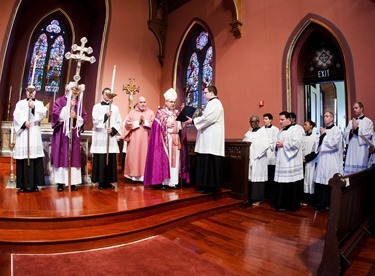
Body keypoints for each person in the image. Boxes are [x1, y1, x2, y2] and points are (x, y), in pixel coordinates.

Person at [144, 88, 189, 188]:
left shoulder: (178, 113)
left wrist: (183, 123)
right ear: (166, 102)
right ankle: (164, 182)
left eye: (174, 102)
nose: (173, 103)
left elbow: (182, 127)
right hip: (165, 141)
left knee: (175, 161)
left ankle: (173, 182)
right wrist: (166, 125)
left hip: (176, 139)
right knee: (166, 161)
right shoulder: (160, 113)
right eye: (171, 101)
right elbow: (155, 128)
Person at [185, 85, 225, 194]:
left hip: (211, 140)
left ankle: (208, 186)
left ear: (211, 93)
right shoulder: (211, 104)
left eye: (205, 92)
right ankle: (205, 185)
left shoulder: (215, 103)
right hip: (207, 139)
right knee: (206, 161)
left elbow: (208, 118)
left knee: (209, 162)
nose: (204, 94)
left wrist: (193, 121)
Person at [51, 82, 87, 192]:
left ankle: (73, 182)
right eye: (72, 91)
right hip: (62, 134)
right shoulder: (59, 101)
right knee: (61, 156)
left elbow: (84, 116)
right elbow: (57, 116)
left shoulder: (78, 103)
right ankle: (61, 183)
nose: (74, 94)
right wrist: (68, 107)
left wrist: (76, 116)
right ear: (67, 90)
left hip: (73, 134)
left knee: (73, 156)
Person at [13, 85, 47, 192]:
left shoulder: (40, 103)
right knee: (24, 158)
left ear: (35, 92)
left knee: (35, 158)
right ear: (26, 92)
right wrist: (24, 123)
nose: (30, 93)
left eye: (32, 91)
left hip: (34, 134)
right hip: (24, 134)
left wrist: (34, 108)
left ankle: (34, 184)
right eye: (28, 90)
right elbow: (16, 115)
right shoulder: (20, 103)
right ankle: (23, 185)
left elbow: (43, 115)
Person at [91, 88, 122, 190]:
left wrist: (112, 130)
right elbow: (95, 121)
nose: (108, 95)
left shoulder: (115, 108)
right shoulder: (97, 107)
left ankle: (109, 181)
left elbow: (119, 122)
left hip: (110, 138)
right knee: (101, 159)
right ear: (103, 95)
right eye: (106, 93)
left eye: (109, 93)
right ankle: (100, 181)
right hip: (100, 136)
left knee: (110, 159)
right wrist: (105, 116)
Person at [273, 111, 304, 211]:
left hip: (290, 161)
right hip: (281, 160)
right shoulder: (280, 131)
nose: (280, 122)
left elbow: (296, 143)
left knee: (289, 182)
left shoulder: (296, 130)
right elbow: (275, 142)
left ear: (289, 120)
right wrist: (276, 145)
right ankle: (280, 203)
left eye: (282, 119)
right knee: (281, 182)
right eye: (279, 119)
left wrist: (284, 144)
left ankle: (290, 205)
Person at [314, 112, 343, 211]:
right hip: (322, 159)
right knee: (321, 181)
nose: (325, 118)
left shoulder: (336, 130)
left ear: (332, 118)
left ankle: (328, 204)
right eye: (324, 116)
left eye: (327, 116)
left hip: (331, 159)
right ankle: (320, 203)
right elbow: (317, 144)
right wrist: (320, 137)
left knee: (328, 181)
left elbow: (334, 144)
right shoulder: (323, 129)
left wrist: (324, 135)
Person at [123, 96, 155, 182]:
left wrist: (146, 122)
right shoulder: (132, 113)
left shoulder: (150, 112)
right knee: (134, 156)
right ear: (137, 103)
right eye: (141, 102)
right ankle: (133, 176)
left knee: (144, 156)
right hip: (134, 139)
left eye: (144, 102)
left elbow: (154, 124)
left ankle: (144, 176)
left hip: (146, 139)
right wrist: (137, 123)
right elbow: (127, 124)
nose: (143, 104)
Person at [242, 115, 269, 206]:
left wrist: (253, 148)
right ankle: (250, 197)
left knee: (257, 178)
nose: (252, 124)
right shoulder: (249, 132)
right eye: (251, 122)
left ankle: (258, 198)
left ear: (258, 122)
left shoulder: (263, 132)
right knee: (251, 178)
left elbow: (265, 144)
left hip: (258, 159)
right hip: (250, 158)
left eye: (254, 122)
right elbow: (245, 142)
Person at [343, 102, 373, 175]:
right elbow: (345, 134)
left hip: (362, 149)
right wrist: (351, 131)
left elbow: (369, 135)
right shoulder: (350, 122)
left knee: (360, 173)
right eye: (353, 108)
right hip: (352, 149)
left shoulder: (368, 121)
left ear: (361, 108)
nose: (354, 110)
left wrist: (357, 129)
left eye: (356, 108)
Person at [301, 120, 318, 205]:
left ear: (311, 126)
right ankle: (304, 198)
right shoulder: (303, 137)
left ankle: (310, 199)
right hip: (302, 161)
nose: (304, 126)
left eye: (306, 125)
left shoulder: (315, 137)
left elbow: (316, 150)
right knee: (304, 179)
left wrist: (307, 158)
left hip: (311, 161)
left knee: (310, 179)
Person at [262, 113, 279, 199]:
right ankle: (265, 193)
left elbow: (276, 140)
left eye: (266, 119)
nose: (264, 120)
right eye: (264, 119)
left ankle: (271, 194)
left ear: (270, 120)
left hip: (271, 154)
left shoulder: (275, 129)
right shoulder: (261, 129)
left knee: (271, 174)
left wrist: (270, 144)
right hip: (264, 154)